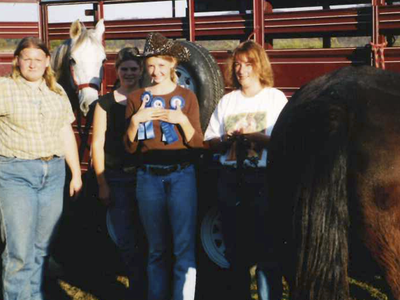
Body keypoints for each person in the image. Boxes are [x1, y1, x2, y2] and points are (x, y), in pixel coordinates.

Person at [204, 40, 288, 300]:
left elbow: (285, 143)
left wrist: (256, 138)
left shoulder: (274, 99)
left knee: (267, 254)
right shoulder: (228, 101)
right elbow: (210, 142)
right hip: (230, 181)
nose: (241, 70)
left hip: (263, 181)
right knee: (236, 255)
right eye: (237, 65)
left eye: (248, 64)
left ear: (259, 66)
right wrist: (226, 141)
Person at [0, 37, 82, 300]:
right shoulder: (4, 89)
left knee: (41, 249)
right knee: (20, 252)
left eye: (38, 59)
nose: (32, 64)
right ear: (16, 61)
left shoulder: (56, 91)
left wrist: (76, 173)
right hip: (16, 174)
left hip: (54, 174)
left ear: (47, 62)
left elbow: (65, 131)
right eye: (27, 58)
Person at [124, 32, 203, 300]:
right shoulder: (136, 99)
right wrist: (136, 122)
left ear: (172, 65)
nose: (155, 72)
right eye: (150, 67)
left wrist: (182, 121)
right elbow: (130, 148)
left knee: (184, 248)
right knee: (155, 249)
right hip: (148, 179)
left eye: (161, 65)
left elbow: (198, 145)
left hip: (182, 177)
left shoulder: (187, 98)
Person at [92, 46, 147, 299]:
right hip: (118, 178)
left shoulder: (149, 98)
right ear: (116, 71)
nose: (129, 73)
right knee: (126, 241)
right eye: (124, 69)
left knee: (151, 238)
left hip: (147, 176)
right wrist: (102, 182)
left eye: (134, 69)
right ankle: (137, 291)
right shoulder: (104, 104)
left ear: (141, 70)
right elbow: (97, 145)